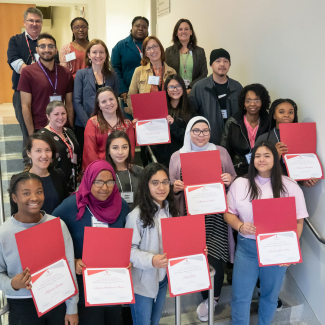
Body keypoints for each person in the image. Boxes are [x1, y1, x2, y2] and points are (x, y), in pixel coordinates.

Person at [224, 141, 308, 325]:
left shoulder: (290, 186)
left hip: (277, 249)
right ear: (252, 159)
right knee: (240, 296)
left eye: (267, 155)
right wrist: (239, 226)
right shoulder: (240, 184)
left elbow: (298, 221)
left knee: (270, 296)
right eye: (258, 155)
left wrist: (290, 250)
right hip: (247, 248)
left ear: (275, 158)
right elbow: (228, 213)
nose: (261, 159)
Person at [169, 116, 236, 321]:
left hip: (216, 214)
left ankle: (213, 299)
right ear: (189, 132)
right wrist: (176, 187)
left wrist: (228, 179)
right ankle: (203, 295)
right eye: (196, 131)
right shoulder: (177, 156)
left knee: (215, 256)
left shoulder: (220, 152)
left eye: (205, 130)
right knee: (198, 256)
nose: (201, 135)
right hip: (190, 214)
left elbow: (233, 177)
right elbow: (170, 184)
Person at [52, 160, 130, 325]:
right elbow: (50, 239)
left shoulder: (121, 206)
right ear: (88, 181)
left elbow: (125, 239)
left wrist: (127, 259)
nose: (105, 187)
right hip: (85, 288)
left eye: (110, 181)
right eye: (98, 182)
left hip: (113, 285)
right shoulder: (71, 206)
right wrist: (71, 261)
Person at [1, 172, 78, 325]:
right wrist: (12, 284)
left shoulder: (58, 225)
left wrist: (72, 307)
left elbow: (69, 266)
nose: (34, 198)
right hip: (22, 304)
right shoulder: (4, 233)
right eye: (26, 193)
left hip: (57, 299)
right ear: (14, 198)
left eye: (39, 192)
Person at [125, 163, 179, 325]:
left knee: (154, 322)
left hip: (162, 280)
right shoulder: (136, 216)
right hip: (142, 282)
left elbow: (177, 242)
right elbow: (128, 250)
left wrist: (194, 249)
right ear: (146, 185)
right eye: (155, 183)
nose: (161, 187)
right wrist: (151, 260)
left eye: (164, 182)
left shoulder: (172, 211)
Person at [18, 33, 74, 137]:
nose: (47, 49)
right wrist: (32, 134)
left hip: (62, 127)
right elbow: (25, 106)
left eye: (51, 46)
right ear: (37, 50)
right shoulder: (27, 72)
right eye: (42, 46)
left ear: (56, 50)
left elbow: (69, 104)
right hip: (40, 128)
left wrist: (70, 127)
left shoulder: (65, 72)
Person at [255, 98, 319, 188]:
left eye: (290, 112)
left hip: (292, 187)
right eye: (281, 112)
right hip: (268, 186)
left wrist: (304, 181)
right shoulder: (264, 138)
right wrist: (275, 155)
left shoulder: (302, 136)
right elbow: (256, 168)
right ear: (274, 115)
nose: (286, 115)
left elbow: (301, 164)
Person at [74, 39, 119, 163]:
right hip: (84, 124)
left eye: (101, 52)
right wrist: (89, 123)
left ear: (106, 55)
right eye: (94, 52)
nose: (98, 55)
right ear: (88, 55)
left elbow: (115, 100)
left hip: (107, 125)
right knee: (90, 159)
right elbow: (77, 101)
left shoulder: (112, 75)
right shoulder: (81, 74)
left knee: (108, 157)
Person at [7, 7, 43, 162]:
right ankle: (28, 163)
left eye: (37, 21)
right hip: (22, 93)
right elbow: (14, 61)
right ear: (25, 22)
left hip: (43, 94)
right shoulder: (16, 40)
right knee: (27, 129)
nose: (34, 24)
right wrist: (35, 73)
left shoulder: (46, 41)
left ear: (41, 23)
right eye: (31, 21)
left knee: (44, 128)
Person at [189, 48, 243, 145]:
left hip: (233, 142)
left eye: (226, 61)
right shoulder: (199, 87)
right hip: (207, 141)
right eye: (218, 61)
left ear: (229, 65)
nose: (222, 64)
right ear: (211, 64)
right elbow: (191, 114)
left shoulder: (237, 87)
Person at [221, 83, 271, 176]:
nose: (252, 104)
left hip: (264, 170)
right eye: (248, 100)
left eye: (256, 100)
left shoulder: (269, 122)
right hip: (238, 171)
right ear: (243, 103)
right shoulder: (232, 123)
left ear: (263, 102)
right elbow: (224, 151)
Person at [82, 87, 135, 172]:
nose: (109, 103)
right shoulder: (92, 123)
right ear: (99, 105)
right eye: (103, 101)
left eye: (111, 99)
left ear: (117, 100)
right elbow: (90, 151)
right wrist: (100, 170)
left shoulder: (127, 124)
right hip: (99, 170)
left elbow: (130, 151)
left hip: (122, 169)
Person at [151, 74, 196, 167]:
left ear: (183, 88)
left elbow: (191, 136)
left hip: (183, 159)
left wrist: (173, 125)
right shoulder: (159, 108)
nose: (175, 90)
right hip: (161, 159)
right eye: (171, 87)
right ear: (166, 90)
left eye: (178, 86)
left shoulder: (190, 109)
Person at [126, 35, 176, 115]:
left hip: (167, 116)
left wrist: (173, 115)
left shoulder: (171, 71)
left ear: (160, 48)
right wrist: (137, 114)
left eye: (155, 46)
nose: (152, 50)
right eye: (148, 48)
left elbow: (175, 97)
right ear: (145, 53)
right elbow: (131, 97)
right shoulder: (139, 71)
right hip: (145, 115)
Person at [111, 16, 149, 120]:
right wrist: (122, 90)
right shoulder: (120, 46)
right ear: (132, 27)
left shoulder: (152, 45)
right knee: (130, 123)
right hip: (128, 93)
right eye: (137, 25)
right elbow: (115, 69)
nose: (140, 28)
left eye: (144, 27)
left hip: (149, 92)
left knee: (148, 123)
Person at [39, 101, 80, 192]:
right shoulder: (42, 136)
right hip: (53, 183)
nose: (60, 117)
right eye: (56, 114)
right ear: (48, 116)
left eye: (63, 113)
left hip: (71, 180)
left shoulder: (69, 131)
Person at [25, 133, 69, 214]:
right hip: (32, 226)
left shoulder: (59, 175)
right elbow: (16, 215)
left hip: (57, 225)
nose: (44, 155)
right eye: (38, 151)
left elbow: (65, 207)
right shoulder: (21, 181)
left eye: (48, 150)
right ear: (29, 153)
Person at [165, 18, 207, 92]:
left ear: (191, 32)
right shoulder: (169, 52)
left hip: (194, 91)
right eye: (180, 29)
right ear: (176, 33)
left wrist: (191, 87)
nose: (183, 31)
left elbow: (203, 74)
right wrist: (177, 87)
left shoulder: (200, 51)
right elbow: (166, 73)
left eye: (186, 29)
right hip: (174, 91)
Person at [106, 130, 143, 209]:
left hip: (137, 217)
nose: (120, 152)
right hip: (113, 218)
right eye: (115, 148)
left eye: (124, 147)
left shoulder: (140, 171)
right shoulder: (103, 174)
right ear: (108, 150)